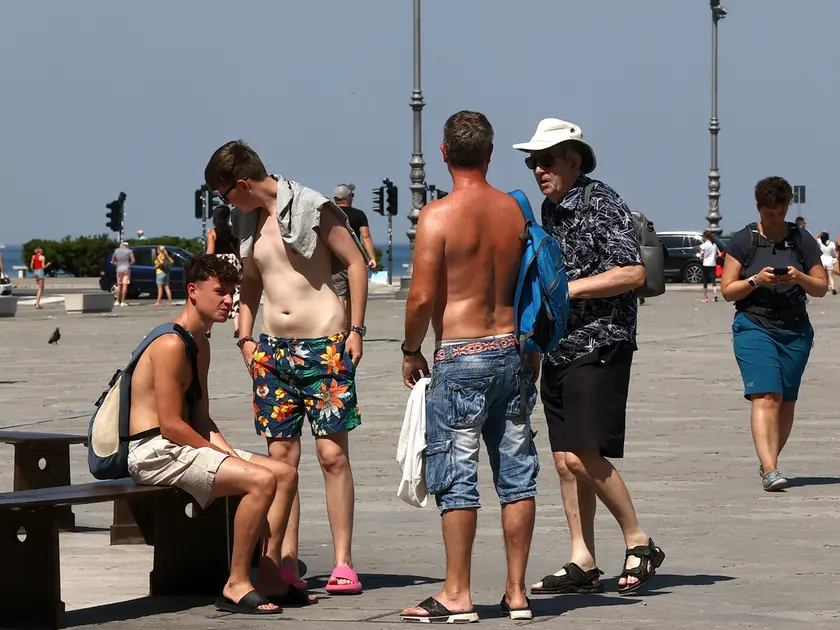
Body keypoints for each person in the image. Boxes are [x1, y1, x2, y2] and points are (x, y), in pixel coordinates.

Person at [205, 140, 369, 595]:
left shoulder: (313, 207)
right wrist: (244, 338)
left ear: (241, 184)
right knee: (282, 462)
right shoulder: (247, 222)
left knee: (332, 456)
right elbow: (251, 282)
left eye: (224, 194)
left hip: (325, 346)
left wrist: (356, 329)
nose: (225, 204)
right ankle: (284, 559)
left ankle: (342, 562)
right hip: (273, 353)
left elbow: (356, 263)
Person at [513, 118, 665, 596]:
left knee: (583, 454)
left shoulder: (601, 202)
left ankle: (639, 541)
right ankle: (583, 558)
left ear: (574, 161)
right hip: (561, 345)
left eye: (547, 160)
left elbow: (633, 273)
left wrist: (568, 290)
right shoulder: (550, 209)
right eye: (533, 163)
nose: (538, 170)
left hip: (601, 341)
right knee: (564, 459)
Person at [399, 111, 539, 623]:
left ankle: (457, 593)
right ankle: (517, 592)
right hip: (512, 351)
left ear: (443, 154)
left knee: (458, 477)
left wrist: (410, 349)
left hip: (461, 355)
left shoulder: (437, 216)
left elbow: (421, 297)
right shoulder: (514, 211)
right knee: (517, 476)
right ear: (490, 153)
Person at [126, 254, 315, 613]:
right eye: (220, 292)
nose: (229, 301)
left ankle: (270, 577)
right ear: (193, 291)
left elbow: (201, 417)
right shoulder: (170, 344)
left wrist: (226, 452)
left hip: (181, 445)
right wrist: (224, 458)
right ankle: (236, 583)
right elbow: (171, 425)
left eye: (232, 293)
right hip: (154, 452)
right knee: (261, 481)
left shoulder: (201, 344)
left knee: (285, 474)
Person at [721, 176, 826, 491]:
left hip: (795, 329)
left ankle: (770, 460)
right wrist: (755, 280)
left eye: (780, 213)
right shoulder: (745, 240)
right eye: (769, 214)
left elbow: (821, 287)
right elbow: (728, 290)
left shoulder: (801, 239)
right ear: (758, 208)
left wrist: (799, 277)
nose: (775, 219)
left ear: (787, 208)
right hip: (753, 325)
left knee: (786, 401)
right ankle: (769, 470)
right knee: (767, 395)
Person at [331, 183, 377, 328]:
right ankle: (353, 327)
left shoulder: (329, 214)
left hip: (334, 259)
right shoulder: (358, 214)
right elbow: (366, 236)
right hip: (354, 259)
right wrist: (372, 258)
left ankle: (340, 327)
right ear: (348, 198)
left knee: (340, 295)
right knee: (354, 295)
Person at [206, 205, 242, 337]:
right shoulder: (234, 232)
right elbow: (238, 251)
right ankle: (237, 327)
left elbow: (210, 252)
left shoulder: (213, 233)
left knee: (216, 292)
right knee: (236, 293)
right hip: (233, 262)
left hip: (219, 263)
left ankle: (208, 328)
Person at [699, 231, 721, 302]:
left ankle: (705, 297)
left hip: (706, 264)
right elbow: (719, 254)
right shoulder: (714, 245)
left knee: (705, 281)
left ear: (705, 237)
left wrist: (700, 256)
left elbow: (701, 256)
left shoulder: (703, 246)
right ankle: (715, 294)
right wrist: (715, 257)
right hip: (713, 264)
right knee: (713, 280)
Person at [111, 241, 135, 306]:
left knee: (119, 285)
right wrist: (128, 264)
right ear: (127, 246)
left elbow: (113, 260)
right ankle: (123, 301)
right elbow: (133, 261)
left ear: (121, 245)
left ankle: (117, 301)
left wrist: (117, 264)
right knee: (125, 285)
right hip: (126, 269)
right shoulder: (129, 251)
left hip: (119, 269)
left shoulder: (116, 250)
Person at [817, 231, 837, 295]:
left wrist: (820, 232)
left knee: (823, 275)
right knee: (830, 275)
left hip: (822, 259)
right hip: (829, 259)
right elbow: (835, 252)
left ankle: (823, 288)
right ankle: (833, 288)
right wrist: (837, 258)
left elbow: (815, 238)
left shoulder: (820, 242)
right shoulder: (831, 243)